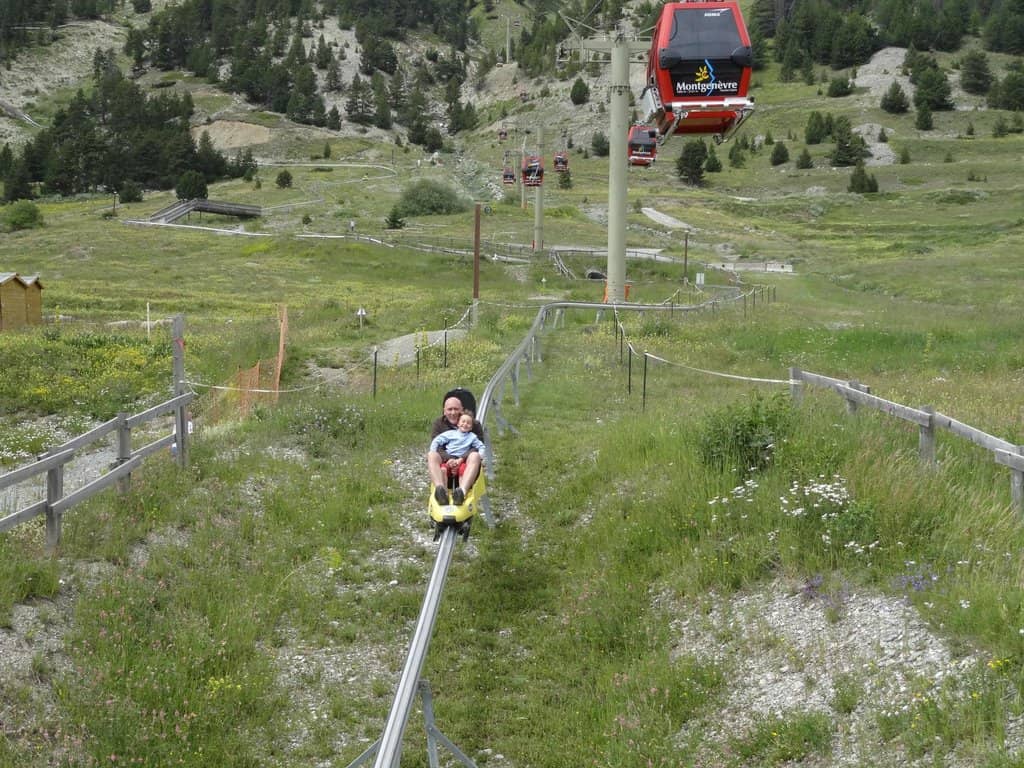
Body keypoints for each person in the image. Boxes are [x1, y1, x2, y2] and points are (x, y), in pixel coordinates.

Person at [427, 388, 485, 505]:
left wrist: (460, 459)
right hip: (446, 460)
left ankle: (461, 493)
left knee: (475, 455)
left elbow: (478, 447)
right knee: (431, 454)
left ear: (462, 410)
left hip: (465, 460)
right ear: (444, 411)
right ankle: (440, 490)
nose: (453, 412)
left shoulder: (474, 424)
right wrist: (450, 459)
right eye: (449, 409)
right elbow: (437, 446)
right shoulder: (439, 424)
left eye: (456, 409)